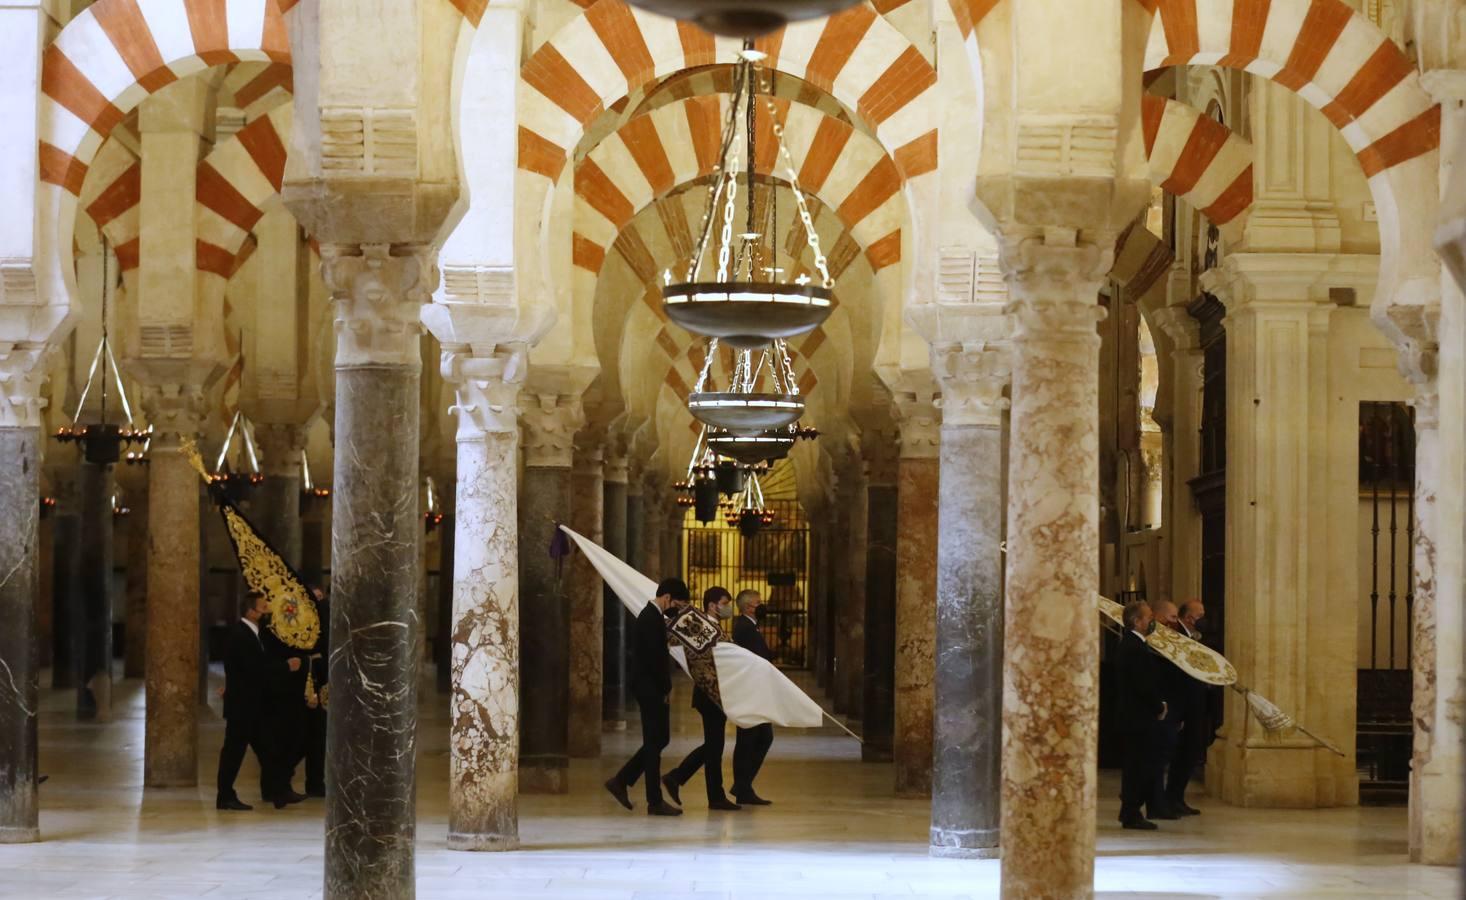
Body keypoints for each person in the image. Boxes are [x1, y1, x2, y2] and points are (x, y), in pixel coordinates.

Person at [605, 577, 688, 816]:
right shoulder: (650, 618)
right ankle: (654, 800)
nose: (677, 610)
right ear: (667, 598)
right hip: (650, 687)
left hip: (649, 686)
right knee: (655, 742)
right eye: (678, 605)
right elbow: (656, 661)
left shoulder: (652, 617)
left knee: (659, 740)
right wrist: (665, 688)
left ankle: (621, 780)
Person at [216, 591, 301, 811]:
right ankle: (225, 796)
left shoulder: (253, 634)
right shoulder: (241, 635)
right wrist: (286, 667)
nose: (267, 610)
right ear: (251, 611)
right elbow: (254, 670)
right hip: (243, 706)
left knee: (268, 750)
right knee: (234, 752)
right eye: (263, 606)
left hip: (252, 706)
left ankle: (278, 791)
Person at [662, 587, 741, 811]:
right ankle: (690, 784)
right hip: (709, 695)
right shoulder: (698, 626)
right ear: (713, 605)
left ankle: (685, 782)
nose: (728, 608)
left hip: (717, 693)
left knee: (714, 746)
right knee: (714, 746)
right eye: (725, 603)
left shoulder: (714, 627)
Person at [1116, 600, 1165, 830]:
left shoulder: (1133, 644)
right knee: (1138, 765)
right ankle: (1131, 811)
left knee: (1138, 764)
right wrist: (1159, 706)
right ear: (1137, 621)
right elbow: (1142, 684)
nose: (1152, 620)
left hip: (1136, 716)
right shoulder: (1133, 648)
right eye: (1148, 617)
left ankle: (1131, 809)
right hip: (1138, 717)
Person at [259, 600, 309, 808]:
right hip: (278, 695)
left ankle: (277, 786)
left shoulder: (291, 633)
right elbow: (265, 663)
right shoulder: (269, 633)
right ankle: (277, 788)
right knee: (281, 743)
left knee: (294, 741)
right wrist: (286, 666)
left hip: (292, 694)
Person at [730, 589, 774, 806]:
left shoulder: (750, 626)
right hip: (751, 692)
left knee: (758, 738)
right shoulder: (745, 628)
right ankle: (742, 786)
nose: (762, 605)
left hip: (754, 691)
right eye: (759, 603)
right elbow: (759, 658)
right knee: (752, 739)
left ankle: (743, 785)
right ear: (748, 607)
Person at [1165, 599, 1209, 816]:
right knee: (1182, 753)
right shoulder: (1177, 636)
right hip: (1183, 704)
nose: (1202, 619)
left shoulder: (1192, 636)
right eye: (1199, 615)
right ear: (1189, 617)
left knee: (1190, 752)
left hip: (1194, 703)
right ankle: (1171, 798)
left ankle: (1177, 797)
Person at [1147, 600, 1186, 821]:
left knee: (1163, 758)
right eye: (1171, 618)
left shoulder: (1170, 643)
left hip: (1171, 708)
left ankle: (1161, 802)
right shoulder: (1153, 646)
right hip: (1160, 709)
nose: (1175, 622)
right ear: (1159, 618)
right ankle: (1156, 804)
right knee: (1156, 760)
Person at [303, 586, 330, 797]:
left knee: (318, 737)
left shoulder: (321, 619)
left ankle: (315, 782)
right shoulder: (314, 619)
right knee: (312, 737)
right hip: (315, 684)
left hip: (323, 684)